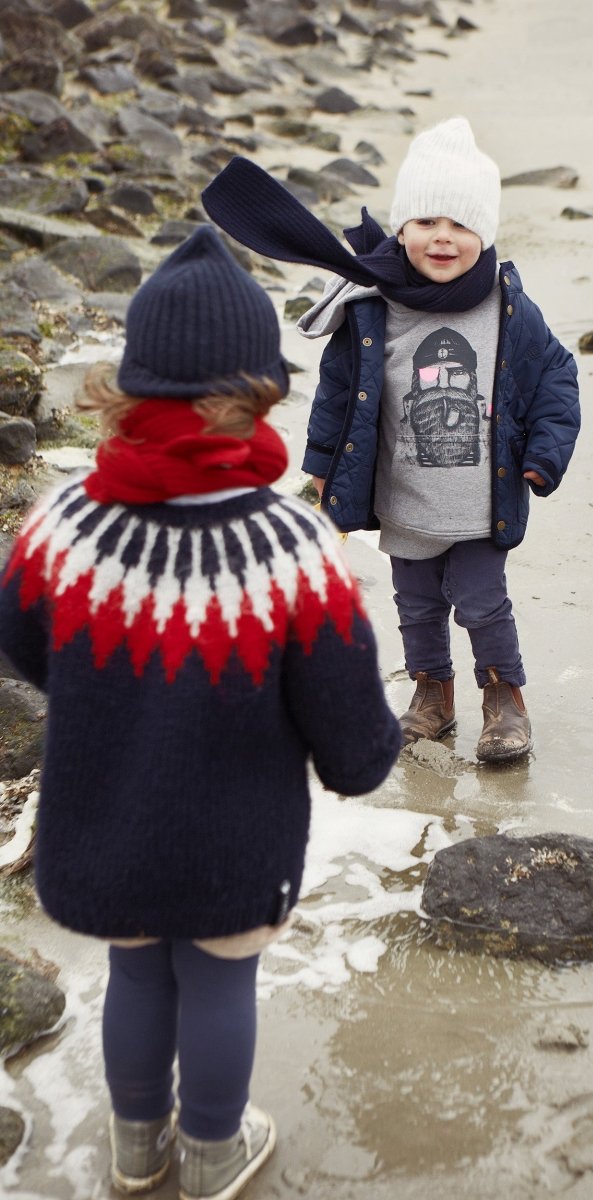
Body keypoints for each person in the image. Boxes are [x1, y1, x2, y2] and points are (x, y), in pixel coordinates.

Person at [0, 226, 401, 1199]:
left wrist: (110, 700)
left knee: (136, 978)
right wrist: (365, 748)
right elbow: (352, 743)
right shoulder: (292, 549)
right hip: (235, 841)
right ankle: (215, 1151)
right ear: (260, 395)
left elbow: (22, 648)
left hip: (104, 824)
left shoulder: (59, 525)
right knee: (220, 984)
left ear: (127, 387)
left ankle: (137, 1150)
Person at [201, 117, 580, 764]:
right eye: (426, 221)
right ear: (401, 228)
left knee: (483, 604)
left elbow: (556, 378)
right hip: (404, 497)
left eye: (460, 224)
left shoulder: (508, 305)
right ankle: (432, 696)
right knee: (417, 606)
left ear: (483, 234)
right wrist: (323, 470)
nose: (442, 237)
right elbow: (337, 394)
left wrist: (544, 456)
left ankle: (504, 699)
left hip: (481, 502)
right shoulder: (373, 305)